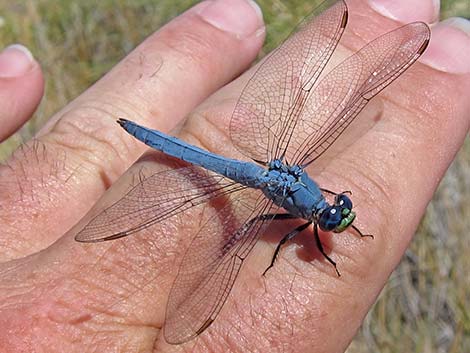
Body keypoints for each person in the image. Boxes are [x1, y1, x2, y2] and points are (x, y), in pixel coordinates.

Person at [0, 0, 468, 351]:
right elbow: (283, 238)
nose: (332, 217)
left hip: (271, 173)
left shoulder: (309, 204)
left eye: (334, 216)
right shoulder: (302, 221)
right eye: (333, 216)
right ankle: (139, 131)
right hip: (229, 167)